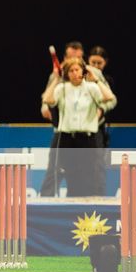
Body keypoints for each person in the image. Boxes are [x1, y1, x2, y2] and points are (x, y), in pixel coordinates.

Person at [42, 57, 115, 198]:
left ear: (83, 71)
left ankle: (87, 208)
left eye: (77, 70)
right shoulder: (62, 88)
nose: (75, 73)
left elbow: (109, 97)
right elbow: (47, 99)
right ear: (67, 74)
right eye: (71, 71)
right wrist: (56, 79)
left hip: (87, 138)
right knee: (70, 174)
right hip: (67, 138)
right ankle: (72, 209)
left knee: (88, 175)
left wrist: (96, 80)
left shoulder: (92, 88)